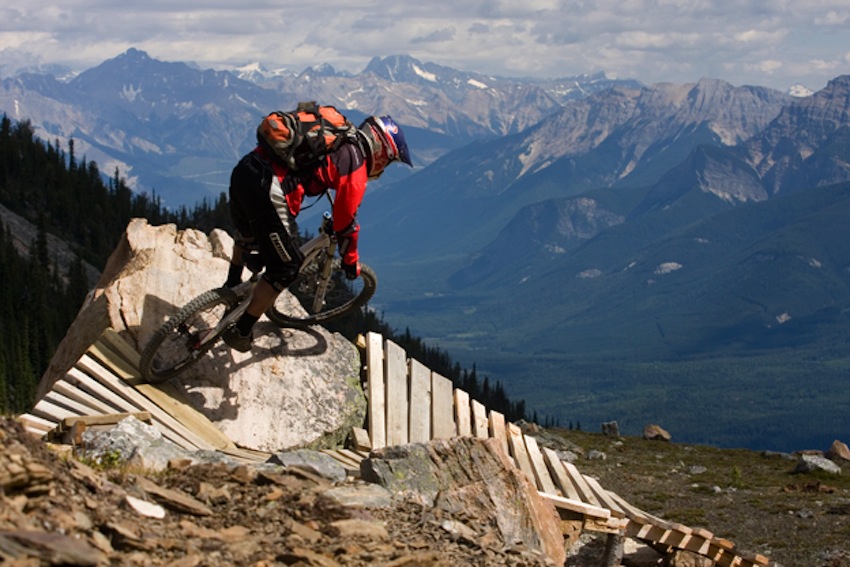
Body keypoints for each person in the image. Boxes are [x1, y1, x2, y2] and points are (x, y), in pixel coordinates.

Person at [221, 114, 413, 352]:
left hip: (247, 168)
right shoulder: (356, 167)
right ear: (381, 150)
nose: (383, 167)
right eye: (388, 161)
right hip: (269, 188)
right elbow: (346, 224)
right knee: (286, 269)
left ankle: (230, 285)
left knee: (249, 233)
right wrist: (350, 262)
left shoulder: (340, 136)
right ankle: (241, 330)